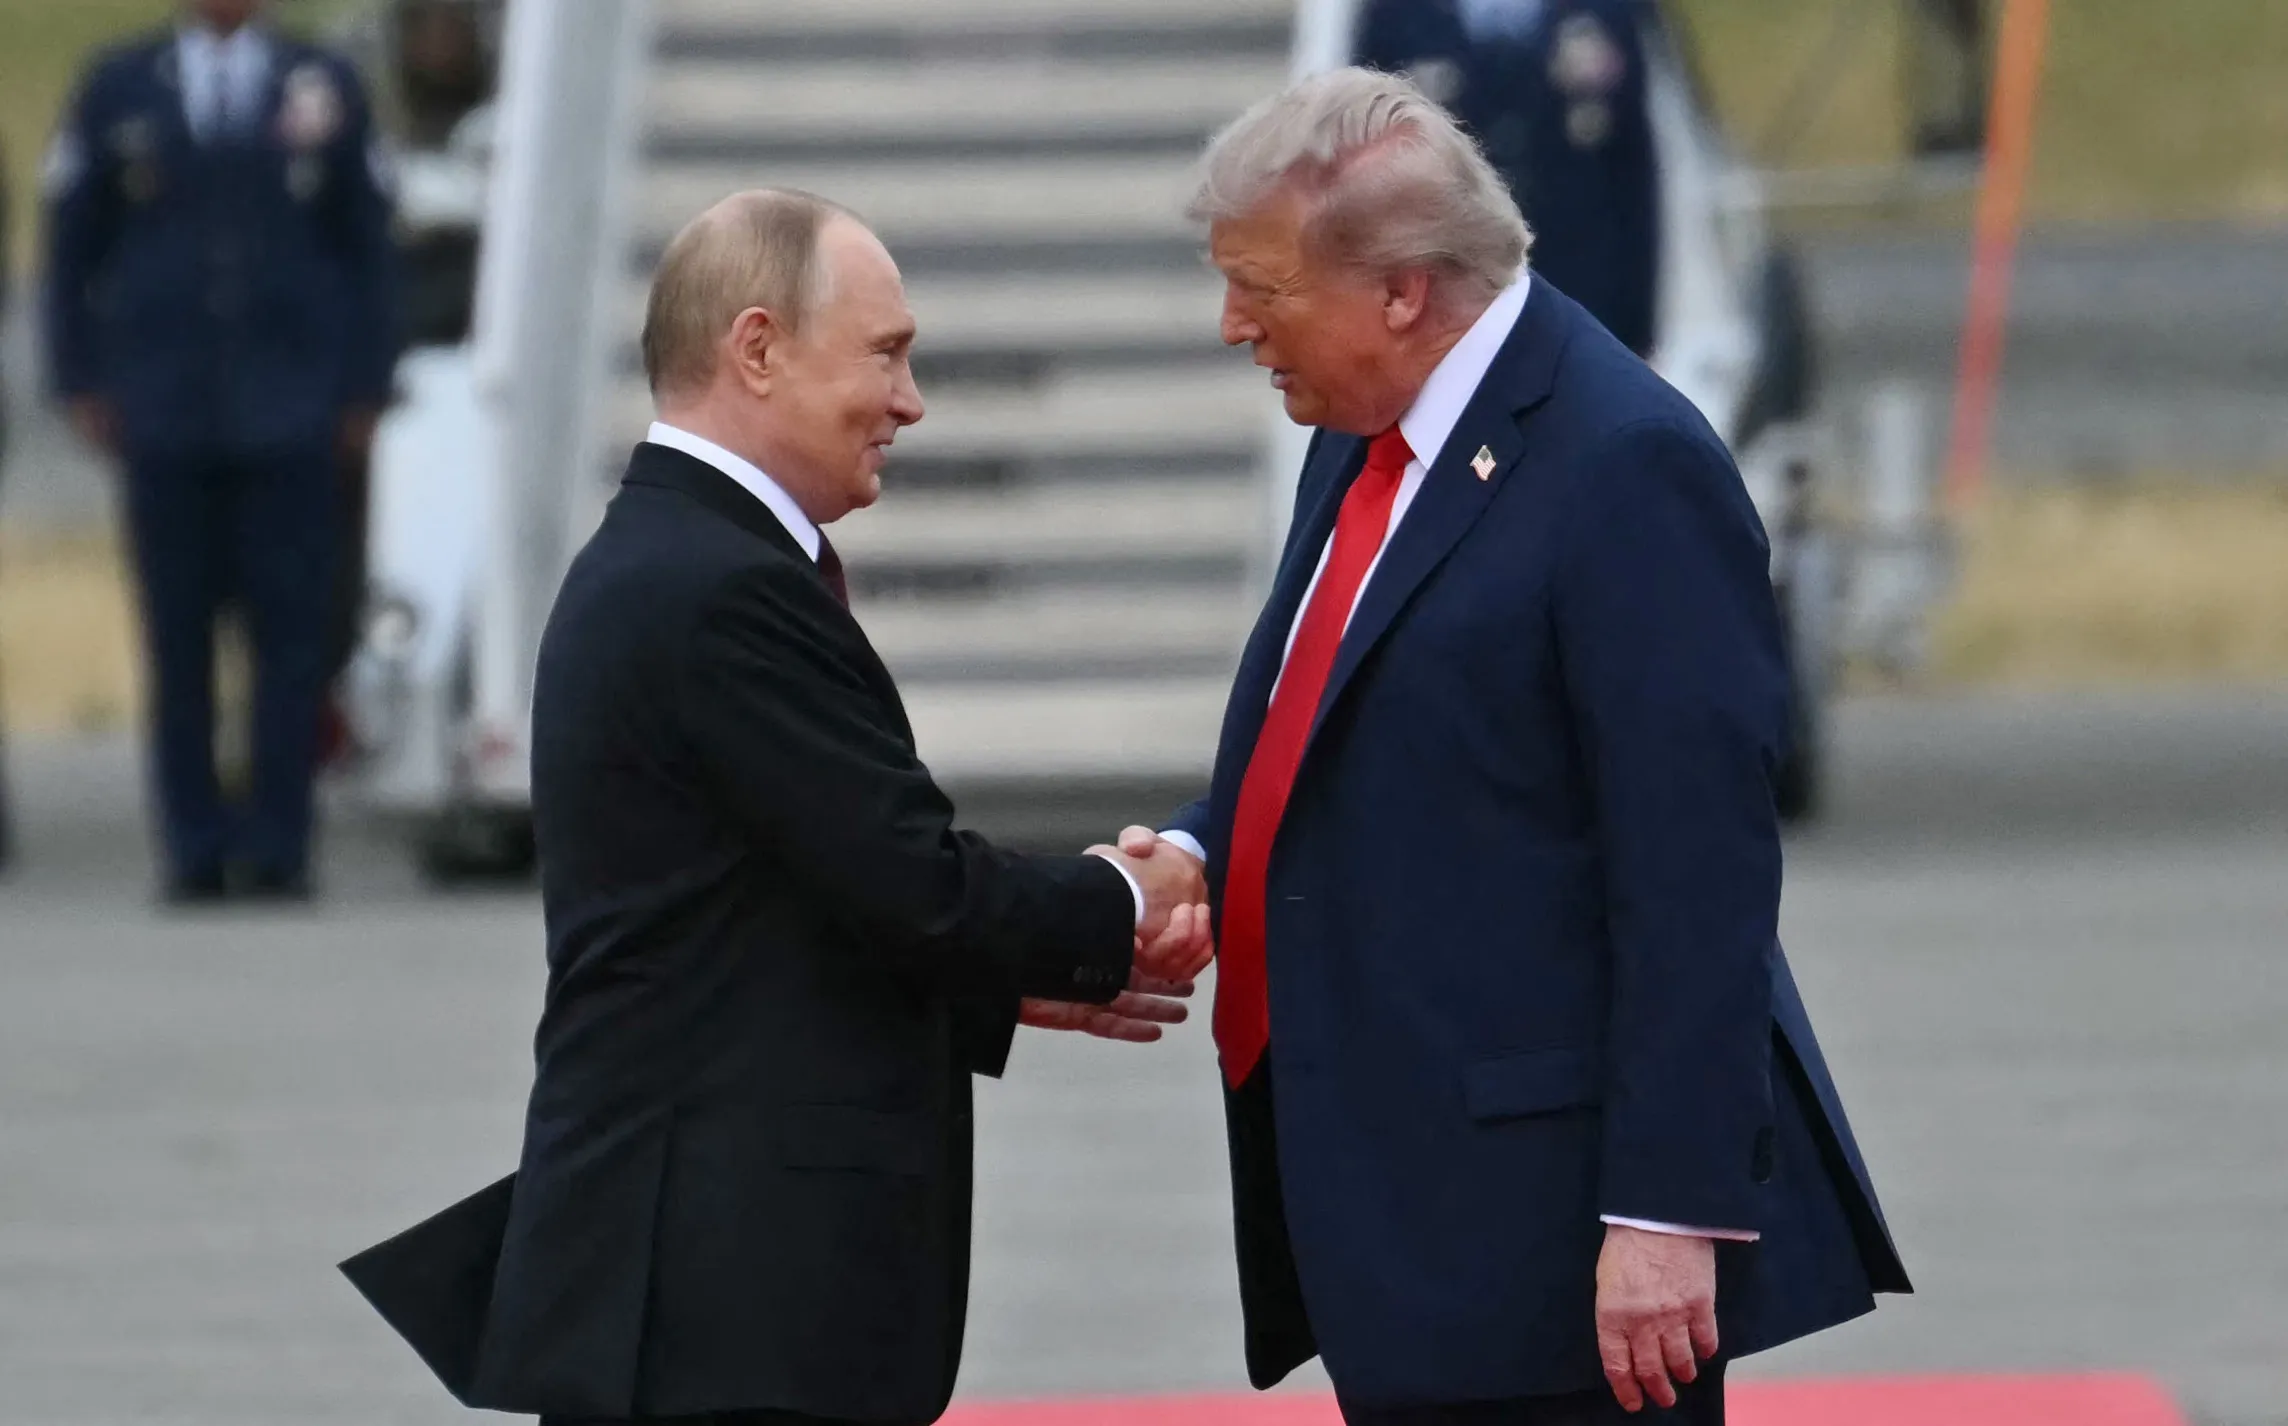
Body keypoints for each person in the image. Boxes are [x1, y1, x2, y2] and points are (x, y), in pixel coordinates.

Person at [339, 190, 1217, 1425]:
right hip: (724, 1300)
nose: (909, 402)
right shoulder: (717, 589)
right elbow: (912, 882)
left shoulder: (684, 559)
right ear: (757, 349)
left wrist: (1008, 975)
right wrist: (1136, 892)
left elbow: (773, 904)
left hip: (710, 1283)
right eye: (885, 354)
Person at [1114, 69, 1911, 1424]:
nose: (1234, 322)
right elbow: (1358, 722)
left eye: (1263, 286)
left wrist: (1666, 1213)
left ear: (1403, 290)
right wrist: (1202, 846)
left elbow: (1697, 880)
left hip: (1554, 1251)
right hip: (1406, 1216)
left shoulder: (1624, 468)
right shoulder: (1367, 429)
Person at [41, 0, 399, 901]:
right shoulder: (120, 87)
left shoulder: (322, 86)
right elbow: (73, 238)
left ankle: (280, 843)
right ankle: (194, 845)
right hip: (165, 409)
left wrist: (363, 382)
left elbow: (367, 243)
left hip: (292, 408)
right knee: (179, 638)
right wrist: (80, 376)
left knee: (289, 638)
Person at [1357, 0, 1661, 357]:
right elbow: (1360, 176)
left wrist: (1638, 332)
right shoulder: (1397, 16)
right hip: (1441, 313)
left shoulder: (1606, 11)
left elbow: (1633, 172)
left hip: (1581, 306)